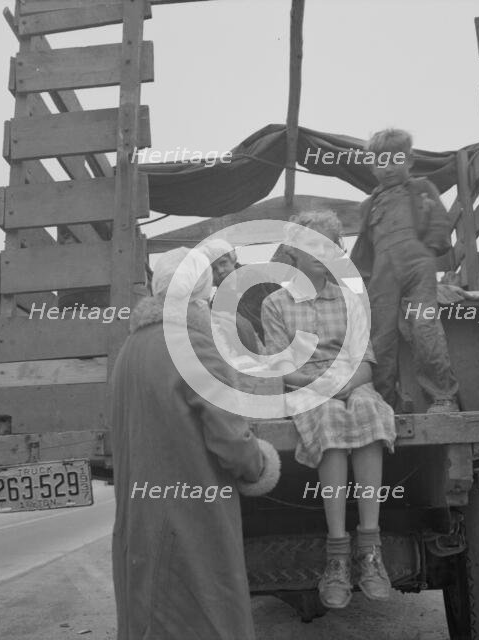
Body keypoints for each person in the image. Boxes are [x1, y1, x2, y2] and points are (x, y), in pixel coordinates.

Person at [110, 247, 281, 640]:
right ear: (198, 298)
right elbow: (230, 438)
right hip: (190, 517)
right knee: (206, 618)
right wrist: (260, 465)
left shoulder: (129, 350)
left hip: (143, 516)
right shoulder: (194, 345)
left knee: (150, 617)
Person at [261, 211, 396, 609]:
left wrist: (343, 384)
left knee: (370, 413)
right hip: (306, 389)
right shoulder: (275, 304)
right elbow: (281, 370)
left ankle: (370, 549)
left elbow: (365, 362)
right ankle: (337, 552)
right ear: (293, 253)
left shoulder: (352, 300)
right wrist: (322, 388)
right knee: (329, 419)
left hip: (353, 382)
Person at [350, 128, 459, 413]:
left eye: (395, 160)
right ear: (372, 167)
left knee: (424, 326)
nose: (388, 168)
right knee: (380, 337)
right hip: (383, 275)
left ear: (409, 160)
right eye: (380, 162)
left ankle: (443, 396)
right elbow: (364, 248)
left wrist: (429, 252)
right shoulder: (368, 205)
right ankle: (386, 402)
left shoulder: (422, 188)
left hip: (417, 266)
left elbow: (439, 223)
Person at [201, 239, 281, 346]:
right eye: (213, 269)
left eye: (223, 263)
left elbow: (286, 305)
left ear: (233, 259)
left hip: (282, 341)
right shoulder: (217, 303)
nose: (220, 271)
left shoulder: (259, 278)